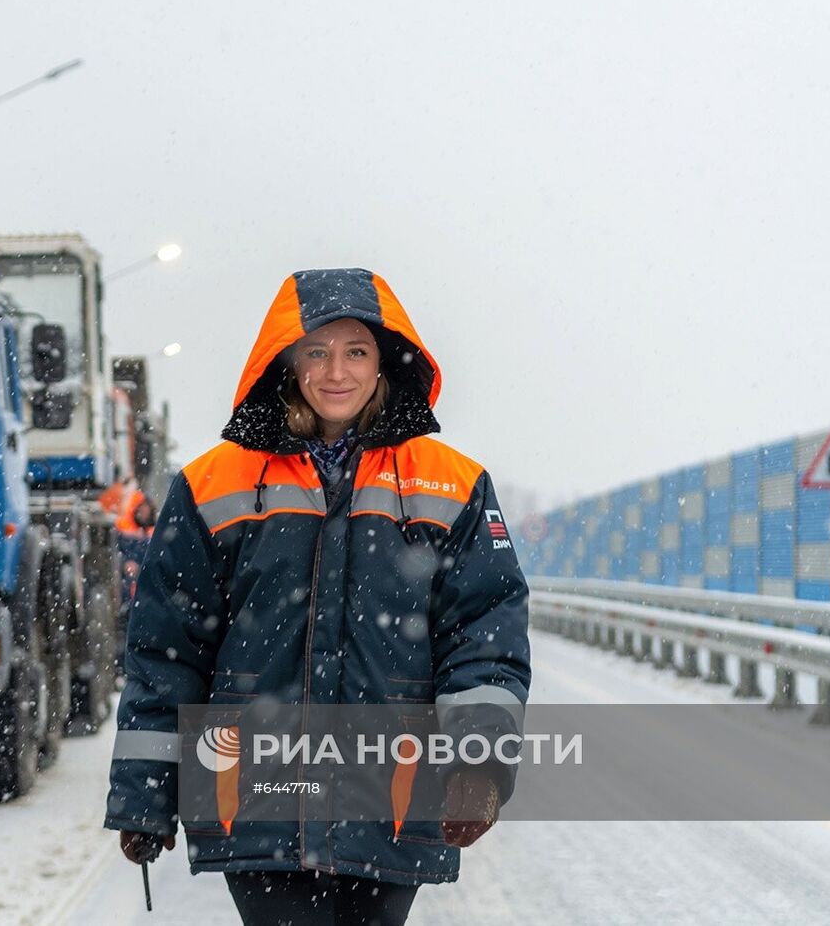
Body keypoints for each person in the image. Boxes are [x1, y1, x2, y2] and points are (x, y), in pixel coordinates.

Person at [104, 268, 531, 925]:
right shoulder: (213, 484)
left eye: (356, 350)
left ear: (383, 362)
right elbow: (167, 647)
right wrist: (145, 791)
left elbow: (484, 630)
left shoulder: (452, 484)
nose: (337, 370)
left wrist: (479, 761)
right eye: (317, 350)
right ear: (288, 361)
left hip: (388, 797)